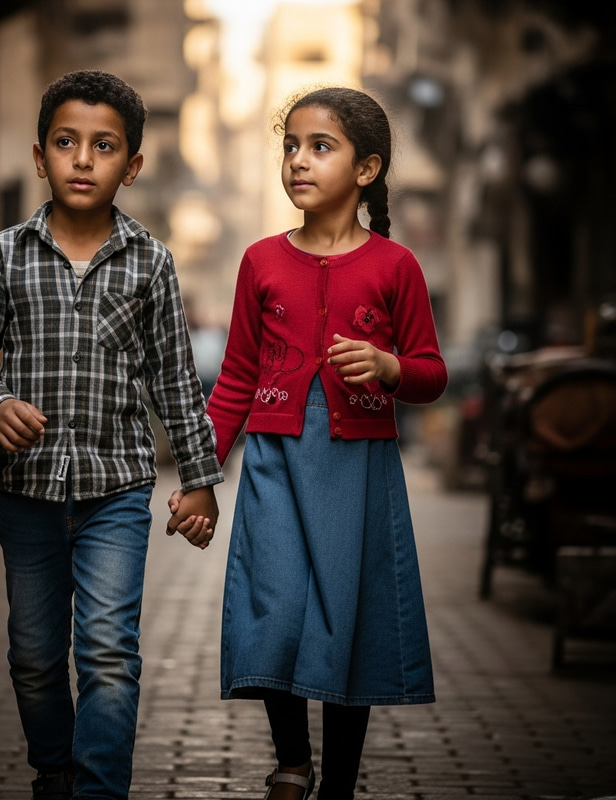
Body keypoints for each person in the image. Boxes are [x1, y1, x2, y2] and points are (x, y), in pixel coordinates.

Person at [0, 69, 222, 800]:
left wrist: (198, 480)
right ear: (40, 155)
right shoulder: (3, 255)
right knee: (34, 657)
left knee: (107, 653)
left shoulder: (152, 262)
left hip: (117, 493)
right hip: (28, 491)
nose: (82, 159)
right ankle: (53, 771)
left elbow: (173, 379)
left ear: (130, 166)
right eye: (66, 142)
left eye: (103, 147)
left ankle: (99, 791)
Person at [171, 86, 448, 799]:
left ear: (366, 169)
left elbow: (431, 373)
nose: (297, 160)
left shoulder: (396, 266)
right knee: (273, 607)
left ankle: (340, 788)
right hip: (273, 459)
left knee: (346, 620)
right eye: (290, 145)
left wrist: (389, 368)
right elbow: (234, 378)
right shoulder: (261, 261)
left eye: (319, 146)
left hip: (358, 467)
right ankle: (292, 759)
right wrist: (202, 475)